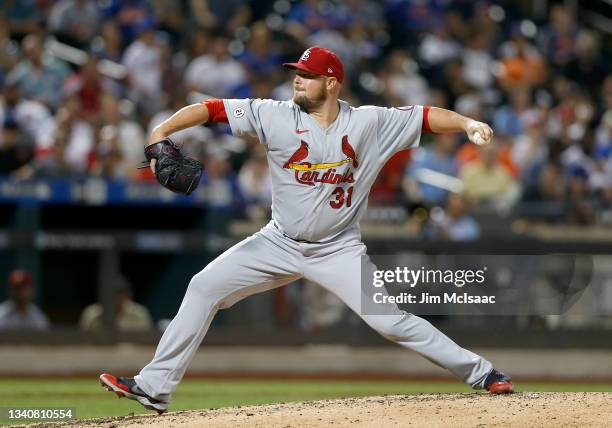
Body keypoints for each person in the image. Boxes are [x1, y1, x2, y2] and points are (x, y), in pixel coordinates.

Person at [100, 46, 513, 414]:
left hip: (338, 249)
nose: (298, 78)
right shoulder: (273, 114)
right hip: (277, 242)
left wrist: (466, 124)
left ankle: (482, 372)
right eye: (297, 72)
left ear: (331, 83)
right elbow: (212, 109)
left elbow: (425, 116)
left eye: (308, 74)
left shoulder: (369, 123)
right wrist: (160, 132)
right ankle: (154, 387)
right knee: (203, 286)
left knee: (389, 322)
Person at [79, 275, 153, 332]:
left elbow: (148, 340)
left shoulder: (140, 313)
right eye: (110, 293)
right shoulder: (91, 313)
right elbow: (82, 340)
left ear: (127, 295)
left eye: (119, 293)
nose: (115, 298)